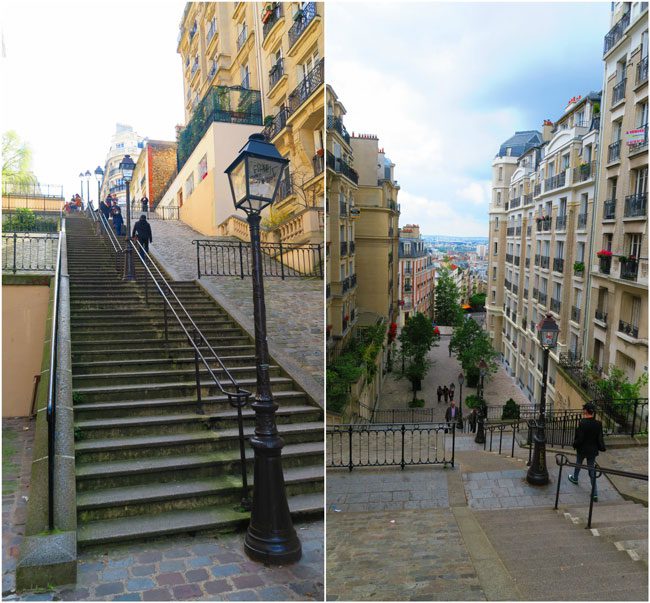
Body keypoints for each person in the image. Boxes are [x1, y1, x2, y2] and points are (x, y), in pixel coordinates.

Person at [568, 402, 606, 502]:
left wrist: (574, 444)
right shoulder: (598, 424)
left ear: (586, 411)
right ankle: (595, 493)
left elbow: (580, 439)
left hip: (582, 449)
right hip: (592, 450)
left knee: (578, 463)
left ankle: (575, 478)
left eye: (584, 409)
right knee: (591, 470)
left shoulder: (582, 423)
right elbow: (599, 438)